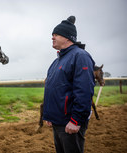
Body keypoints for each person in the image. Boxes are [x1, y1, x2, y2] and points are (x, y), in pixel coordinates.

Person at [43, 16, 95, 153]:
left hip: (70, 123)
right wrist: (49, 116)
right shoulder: (57, 61)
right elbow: (53, 88)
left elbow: (84, 91)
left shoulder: (80, 56)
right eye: (52, 35)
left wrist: (76, 120)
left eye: (56, 35)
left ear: (67, 37)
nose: (52, 37)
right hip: (58, 121)